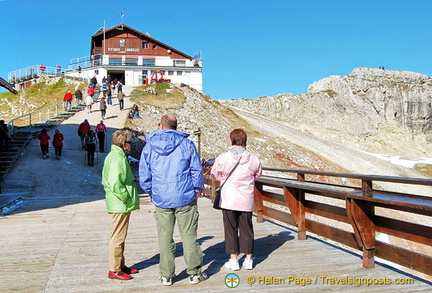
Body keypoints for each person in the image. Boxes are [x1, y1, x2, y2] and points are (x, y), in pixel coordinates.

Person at [139, 114, 207, 286]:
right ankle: (194, 273)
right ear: (176, 126)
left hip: (162, 198)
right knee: (189, 236)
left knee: (164, 236)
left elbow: (144, 174)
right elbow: (196, 170)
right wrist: (197, 189)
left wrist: (151, 192)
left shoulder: (150, 146)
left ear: (161, 125)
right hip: (185, 196)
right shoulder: (186, 144)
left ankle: (166, 275)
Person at [210, 129, 262, 271]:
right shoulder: (253, 158)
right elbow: (258, 174)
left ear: (232, 139)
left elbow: (215, 174)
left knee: (230, 229)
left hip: (229, 198)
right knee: (247, 228)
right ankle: (249, 259)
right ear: (245, 140)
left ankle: (234, 261)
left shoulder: (224, 157)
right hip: (246, 199)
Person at [102, 130, 140, 280]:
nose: (131, 146)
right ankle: (114, 269)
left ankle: (120, 265)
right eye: (130, 143)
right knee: (118, 236)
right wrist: (126, 197)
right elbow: (115, 183)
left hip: (119, 203)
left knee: (121, 235)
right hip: (120, 203)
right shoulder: (118, 158)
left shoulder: (115, 155)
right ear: (124, 144)